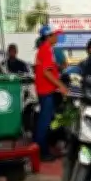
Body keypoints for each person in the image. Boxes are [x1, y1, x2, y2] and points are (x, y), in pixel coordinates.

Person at [34, 24, 68, 162]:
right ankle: (41, 152)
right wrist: (62, 86)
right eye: (55, 34)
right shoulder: (46, 50)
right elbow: (47, 72)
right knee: (44, 122)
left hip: (45, 91)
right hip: (46, 91)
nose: (57, 37)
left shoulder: (45, 50)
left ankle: (42, 150)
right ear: (49, 36)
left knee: (45, 121)